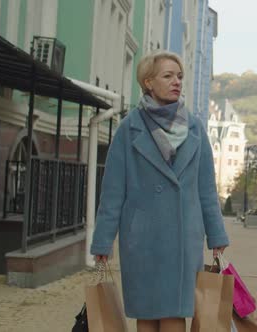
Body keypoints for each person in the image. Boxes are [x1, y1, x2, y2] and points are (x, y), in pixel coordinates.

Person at [90, 50, 229, 332]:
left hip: (182, 238)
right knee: (146, 315)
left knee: (173, 315)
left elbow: (206, 190)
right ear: (148, 82)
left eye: (179, 76)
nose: (176, 81)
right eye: (168, 76)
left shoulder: (195, 129)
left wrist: (216, 235)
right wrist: (103, 242)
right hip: (142, 239)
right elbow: (113, 192)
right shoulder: (129, 129)